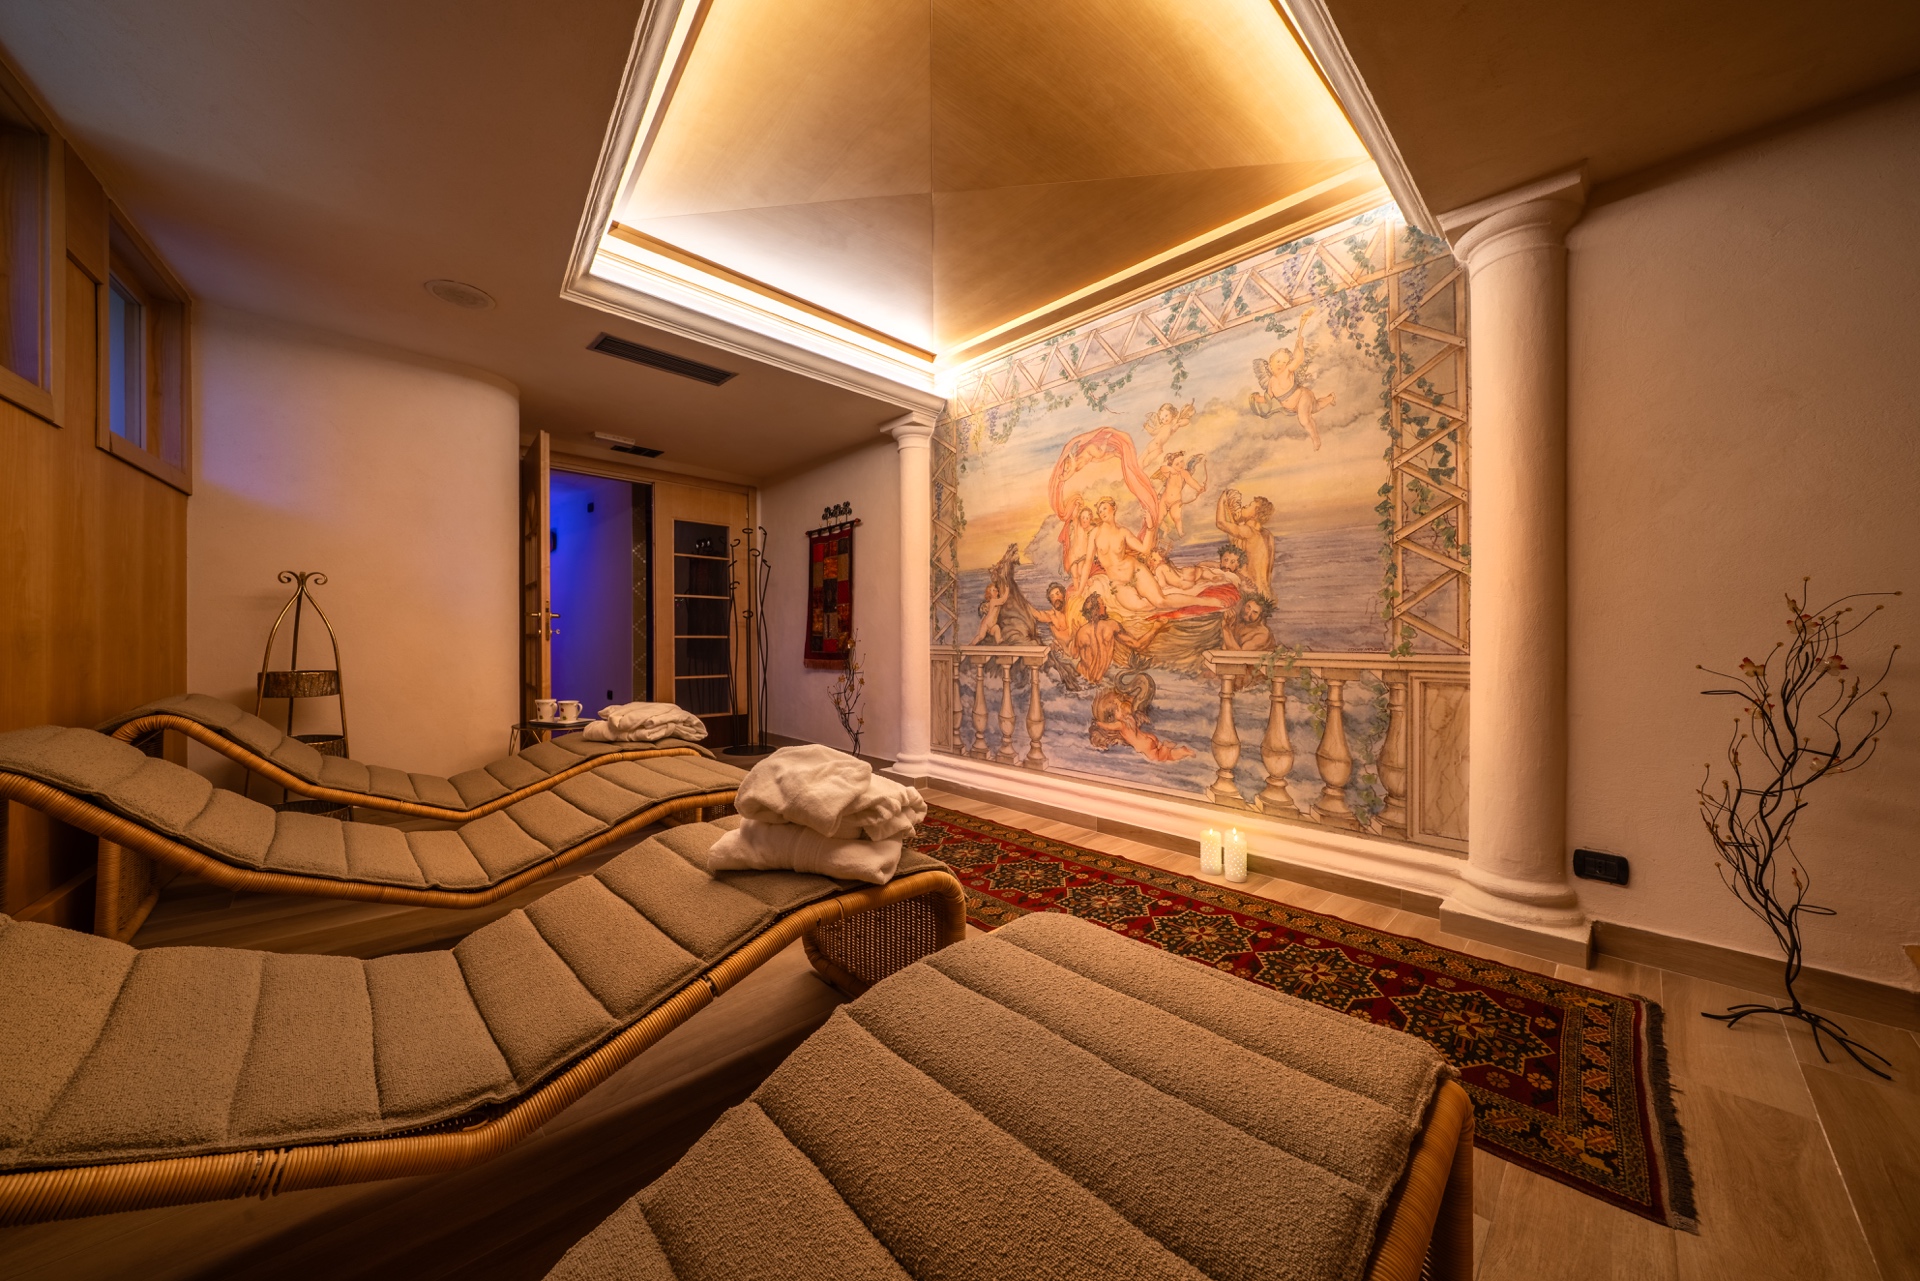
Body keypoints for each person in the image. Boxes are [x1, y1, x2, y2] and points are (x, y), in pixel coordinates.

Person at [1250, 308, 1336, 449]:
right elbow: (1268, 398)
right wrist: (1256, 398)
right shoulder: (1271, 382)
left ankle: (1315, 438)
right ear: (1270, 364)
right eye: (1278, 361)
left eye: (1284, 362)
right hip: (1292, 407)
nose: (1281, 364)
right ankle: (1330, 398)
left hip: (1302, 396)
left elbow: (1297, 359)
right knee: (1315, 407)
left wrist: (1299, 345)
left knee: (1304, 419)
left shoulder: (1288, 372)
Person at [1088, 496, 1165, 609]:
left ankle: (1194, 602)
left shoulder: (1123, 532)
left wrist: (1150, 527)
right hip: (1118, 582)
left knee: (1160, 602)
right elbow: (1088, 562)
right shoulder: (1095, 533)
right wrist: (1080, 589)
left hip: (1135, 570)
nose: (1102, 512)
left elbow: (1145, 549)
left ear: (1114, 508)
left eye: (1104, 508)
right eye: (1100, 511)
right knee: (1141, 606)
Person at [1068, 593, 1160, 684]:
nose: (1105, 607)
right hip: (1094, 682)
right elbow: (1137, 645)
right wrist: (1156, 628)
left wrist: (1074, 639)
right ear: (1096, 609)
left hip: (1081, 680)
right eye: (1102, 604)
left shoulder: (1081, 632)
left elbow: (1074, 655)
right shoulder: (1111, 625)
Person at [1215, 490, 1276, 596]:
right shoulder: (1267, 535)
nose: (1244, 506)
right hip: (1265, 593)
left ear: (1255, 514)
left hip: (1251, 593)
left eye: (1248, 506)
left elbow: (1220, 523)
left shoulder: (1248, 532)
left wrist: (1222, 499)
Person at [1152, 450, 1208, 538]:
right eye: (1177, 464)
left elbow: (1191, 481)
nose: (1180, 465)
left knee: (1177, 518)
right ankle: (1165, 529)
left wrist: (1199, 488)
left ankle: (1180, 532)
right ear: (1172, 465)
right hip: (1164, 500)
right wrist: (1171, 469)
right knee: (1158, 519)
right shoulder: (1170, 473)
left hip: (1176, 501)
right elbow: (1162, 468)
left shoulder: (1184, 473)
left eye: (1181, 461)